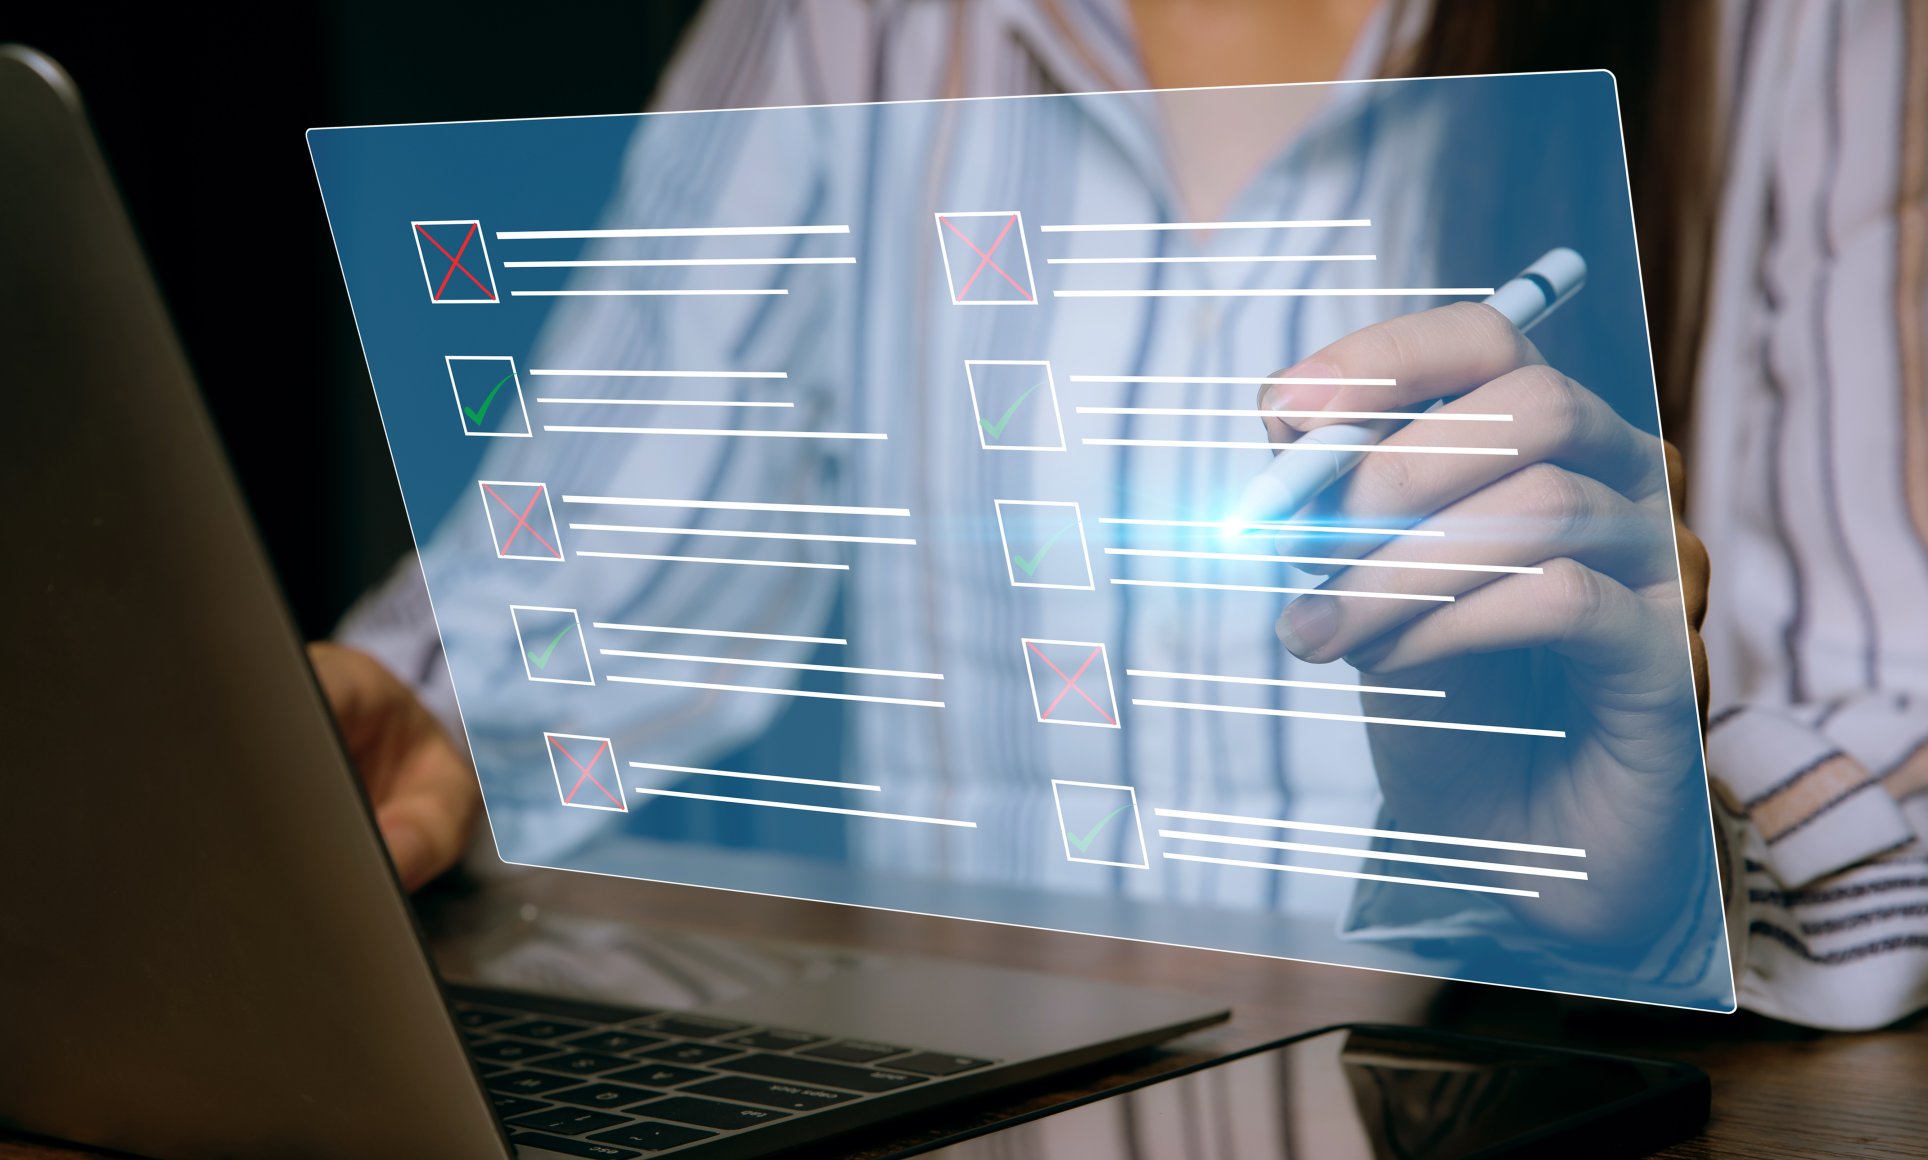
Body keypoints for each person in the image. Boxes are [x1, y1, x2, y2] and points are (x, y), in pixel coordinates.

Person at [317, 0, 1928, 1029]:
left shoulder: (1797, 38)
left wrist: (1674, 866)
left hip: (1516, 1110)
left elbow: (1901, 722)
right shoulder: (854, 28)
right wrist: (409, 734)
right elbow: (584, 559)